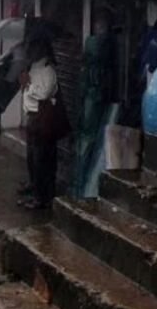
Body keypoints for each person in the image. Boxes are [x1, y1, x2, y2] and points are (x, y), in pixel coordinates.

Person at [71, 16, 116, 198]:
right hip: (92, 102)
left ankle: (80, 183)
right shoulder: (98, 58)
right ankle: (82, 182)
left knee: (87, 142)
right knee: (88, 141)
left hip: (91, 102)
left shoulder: (91, 67)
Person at [19, 37, 61, 210]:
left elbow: (43, 94)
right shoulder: (33, 67)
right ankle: (35, 191)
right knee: (32, 158)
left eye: (33, 49)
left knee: (42, 160)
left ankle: (43, 197)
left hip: (43, 119)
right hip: (32, 117)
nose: (29, 52)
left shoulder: (48, 70)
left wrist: (29, 87)